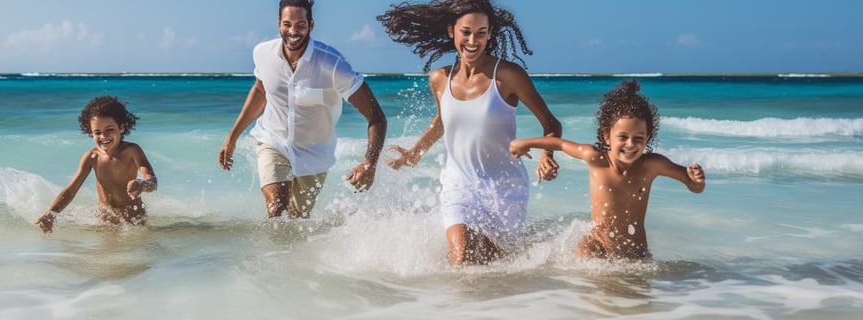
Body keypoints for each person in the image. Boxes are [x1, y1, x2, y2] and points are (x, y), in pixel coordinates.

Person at [378, 0, 563, 265]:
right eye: (466, 32)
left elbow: (551, 123)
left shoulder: (508, 76)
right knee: (462, 258)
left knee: (496, 264)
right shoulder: (440, 78)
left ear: (489, 34)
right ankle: (451, 306)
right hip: (459, 183)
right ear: (451, 31)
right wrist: (414, 153)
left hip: (504, 186)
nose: (473, 41)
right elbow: (443, 121)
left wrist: (547, 155)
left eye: (481, 33)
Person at [218, 0, 387, 219]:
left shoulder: (333, 65)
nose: (293, 31)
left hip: (314, 155)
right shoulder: (263, 53)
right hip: (274, 141)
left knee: (297, 221)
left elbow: (376, 117)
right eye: (287, 24)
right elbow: (261, 91)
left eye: (300, 25)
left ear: (311, 24)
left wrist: (369, 163)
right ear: (279, 23)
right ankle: (270, 253)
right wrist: (232, 138)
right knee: (276, 211)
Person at [509, 80, 706, 260]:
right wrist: (525, 143)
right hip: (597, 246)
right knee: (595, 289)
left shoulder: (651, 165)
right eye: (623, 137)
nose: (630, 144)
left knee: (638, 297)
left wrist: (696, 181)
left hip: (634, 252)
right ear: (607, 137)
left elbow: (693, 186)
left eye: (638, 138)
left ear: (648, 137)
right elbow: (559, 144)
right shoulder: (595, 158)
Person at [35, 96, 158, 233]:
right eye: (97, 132)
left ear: (121, 127)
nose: (103, 136)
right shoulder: (91, 157)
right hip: (106, 222)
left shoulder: (132, 151)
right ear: (91, 132)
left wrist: (142, 185)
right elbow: (70, 191)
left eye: (109, 130)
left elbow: (152, 181)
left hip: (134, 222)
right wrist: (51, 214)